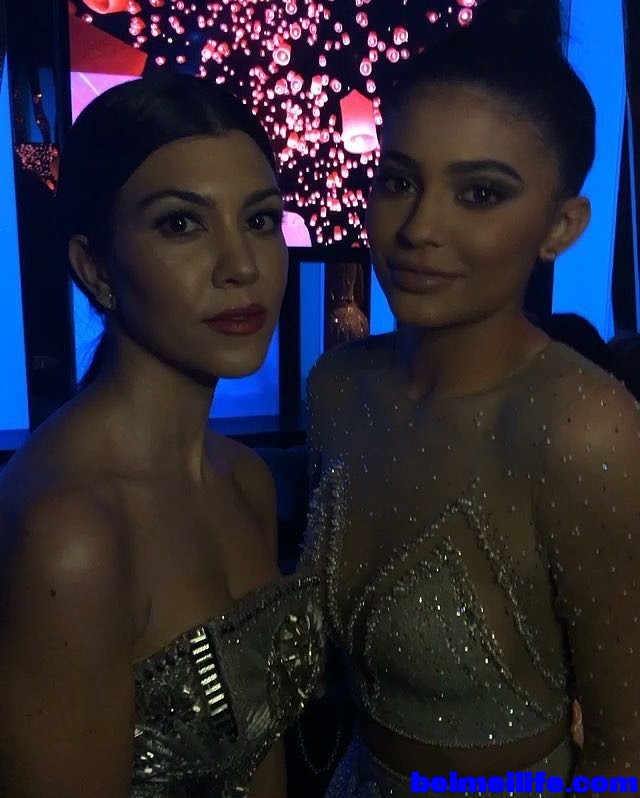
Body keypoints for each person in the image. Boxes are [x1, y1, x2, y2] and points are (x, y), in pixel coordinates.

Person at [301, 0, 640, 795]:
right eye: (398, 181)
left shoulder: (586, 431)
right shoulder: (337, 387)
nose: (419, 227)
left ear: (562, 227)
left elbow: (626, 751)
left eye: (480, 193)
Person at [0, 74, 323, 798]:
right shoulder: (69, 532)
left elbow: (260, 749)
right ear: (94, 266)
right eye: (181, 224)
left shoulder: (244, 478)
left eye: (261, 220)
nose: (242, 266)